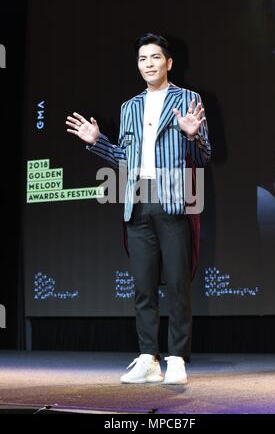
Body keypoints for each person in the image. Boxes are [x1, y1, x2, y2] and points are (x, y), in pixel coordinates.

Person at [65, 33, 211, 384]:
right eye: (143, 58)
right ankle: (149, 357)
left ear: (168, 62)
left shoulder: (188, 99)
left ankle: (177, 358)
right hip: (137, 199)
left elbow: (204, 156)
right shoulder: (129, 107)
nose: (149, 63)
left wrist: (193, 135)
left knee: (177, 283)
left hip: (174, 196)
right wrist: (97, 142)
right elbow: (123, 159)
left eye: (155, 57)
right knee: (143, 286)